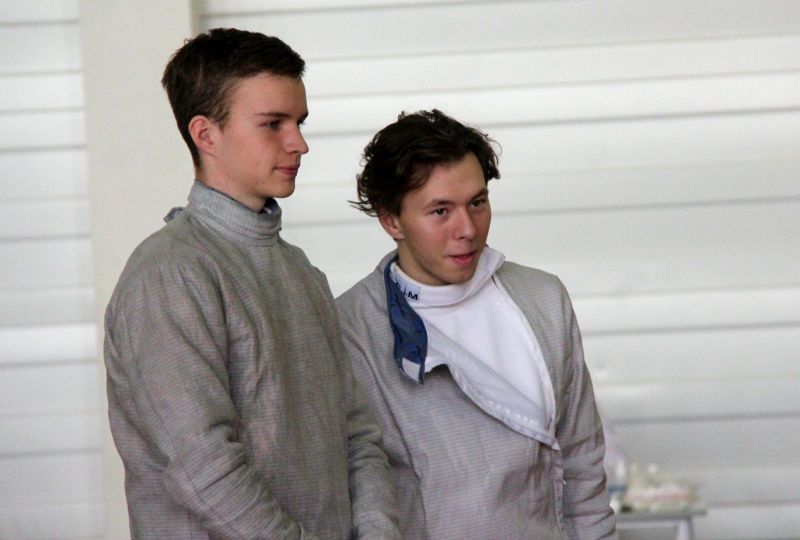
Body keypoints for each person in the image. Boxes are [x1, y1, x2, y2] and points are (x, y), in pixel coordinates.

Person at [104, 28, 399, 539]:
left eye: (299, 122)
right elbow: (204, 469)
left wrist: (377, 530)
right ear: (206, 135)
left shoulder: (300, 272)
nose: (299, 143)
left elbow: (357, 433)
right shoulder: (169, 275)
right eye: (273, 124)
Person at [336, 109, 616, 539]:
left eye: (477, 203)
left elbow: (583, 468)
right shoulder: (349, 330)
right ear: (391, 220)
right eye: (440, 211)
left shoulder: (542, 298)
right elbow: (354, 490)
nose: (467, 229)